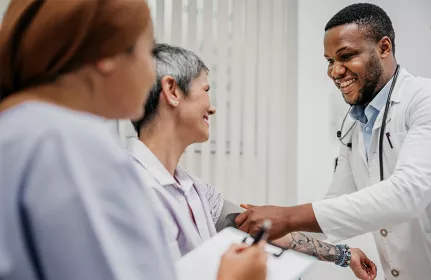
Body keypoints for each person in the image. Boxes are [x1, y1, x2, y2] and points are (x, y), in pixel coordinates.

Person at [234, 3, 431, 280]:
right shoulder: (353, 123)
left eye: (346, 56)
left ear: (384, 47)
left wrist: (289, 216)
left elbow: (407, 194)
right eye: (330, 61)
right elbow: (337, 202)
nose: (335, 71)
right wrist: (279, 232)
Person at [0, 1, 266, 280]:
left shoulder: (19, 129)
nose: (152, 72)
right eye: (146, 48)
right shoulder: (71, 144)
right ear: (107, 54)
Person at [129, 43, 377, 279]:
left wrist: (345, 255)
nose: (212, 108)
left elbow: (256, 227)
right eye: (205, 90)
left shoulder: (193, 189)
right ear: (172, 91)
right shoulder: (129, 189)